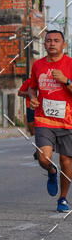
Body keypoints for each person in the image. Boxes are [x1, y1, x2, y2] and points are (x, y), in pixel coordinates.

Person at [28, 30, 72, 213]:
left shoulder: (70, 64)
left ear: (64, 44)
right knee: (43, 158)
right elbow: (31, 88)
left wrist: (66, 80)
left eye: (56, 40)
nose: (52, 43)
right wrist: (32, 98)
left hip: (68, 122)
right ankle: (51, 171)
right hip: (44, 119)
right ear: (44, 44)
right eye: (48, 41)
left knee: (66, 162)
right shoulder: (37, 65)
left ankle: (62, 198)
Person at [18, 77, 36, 157]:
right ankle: (39, 148)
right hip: (31, 107)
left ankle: (39, 150)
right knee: (32, 131)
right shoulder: (29, 81)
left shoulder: (47, 82)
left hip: (43, 108)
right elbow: (19, 92)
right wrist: (29, 93)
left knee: (42, 129)